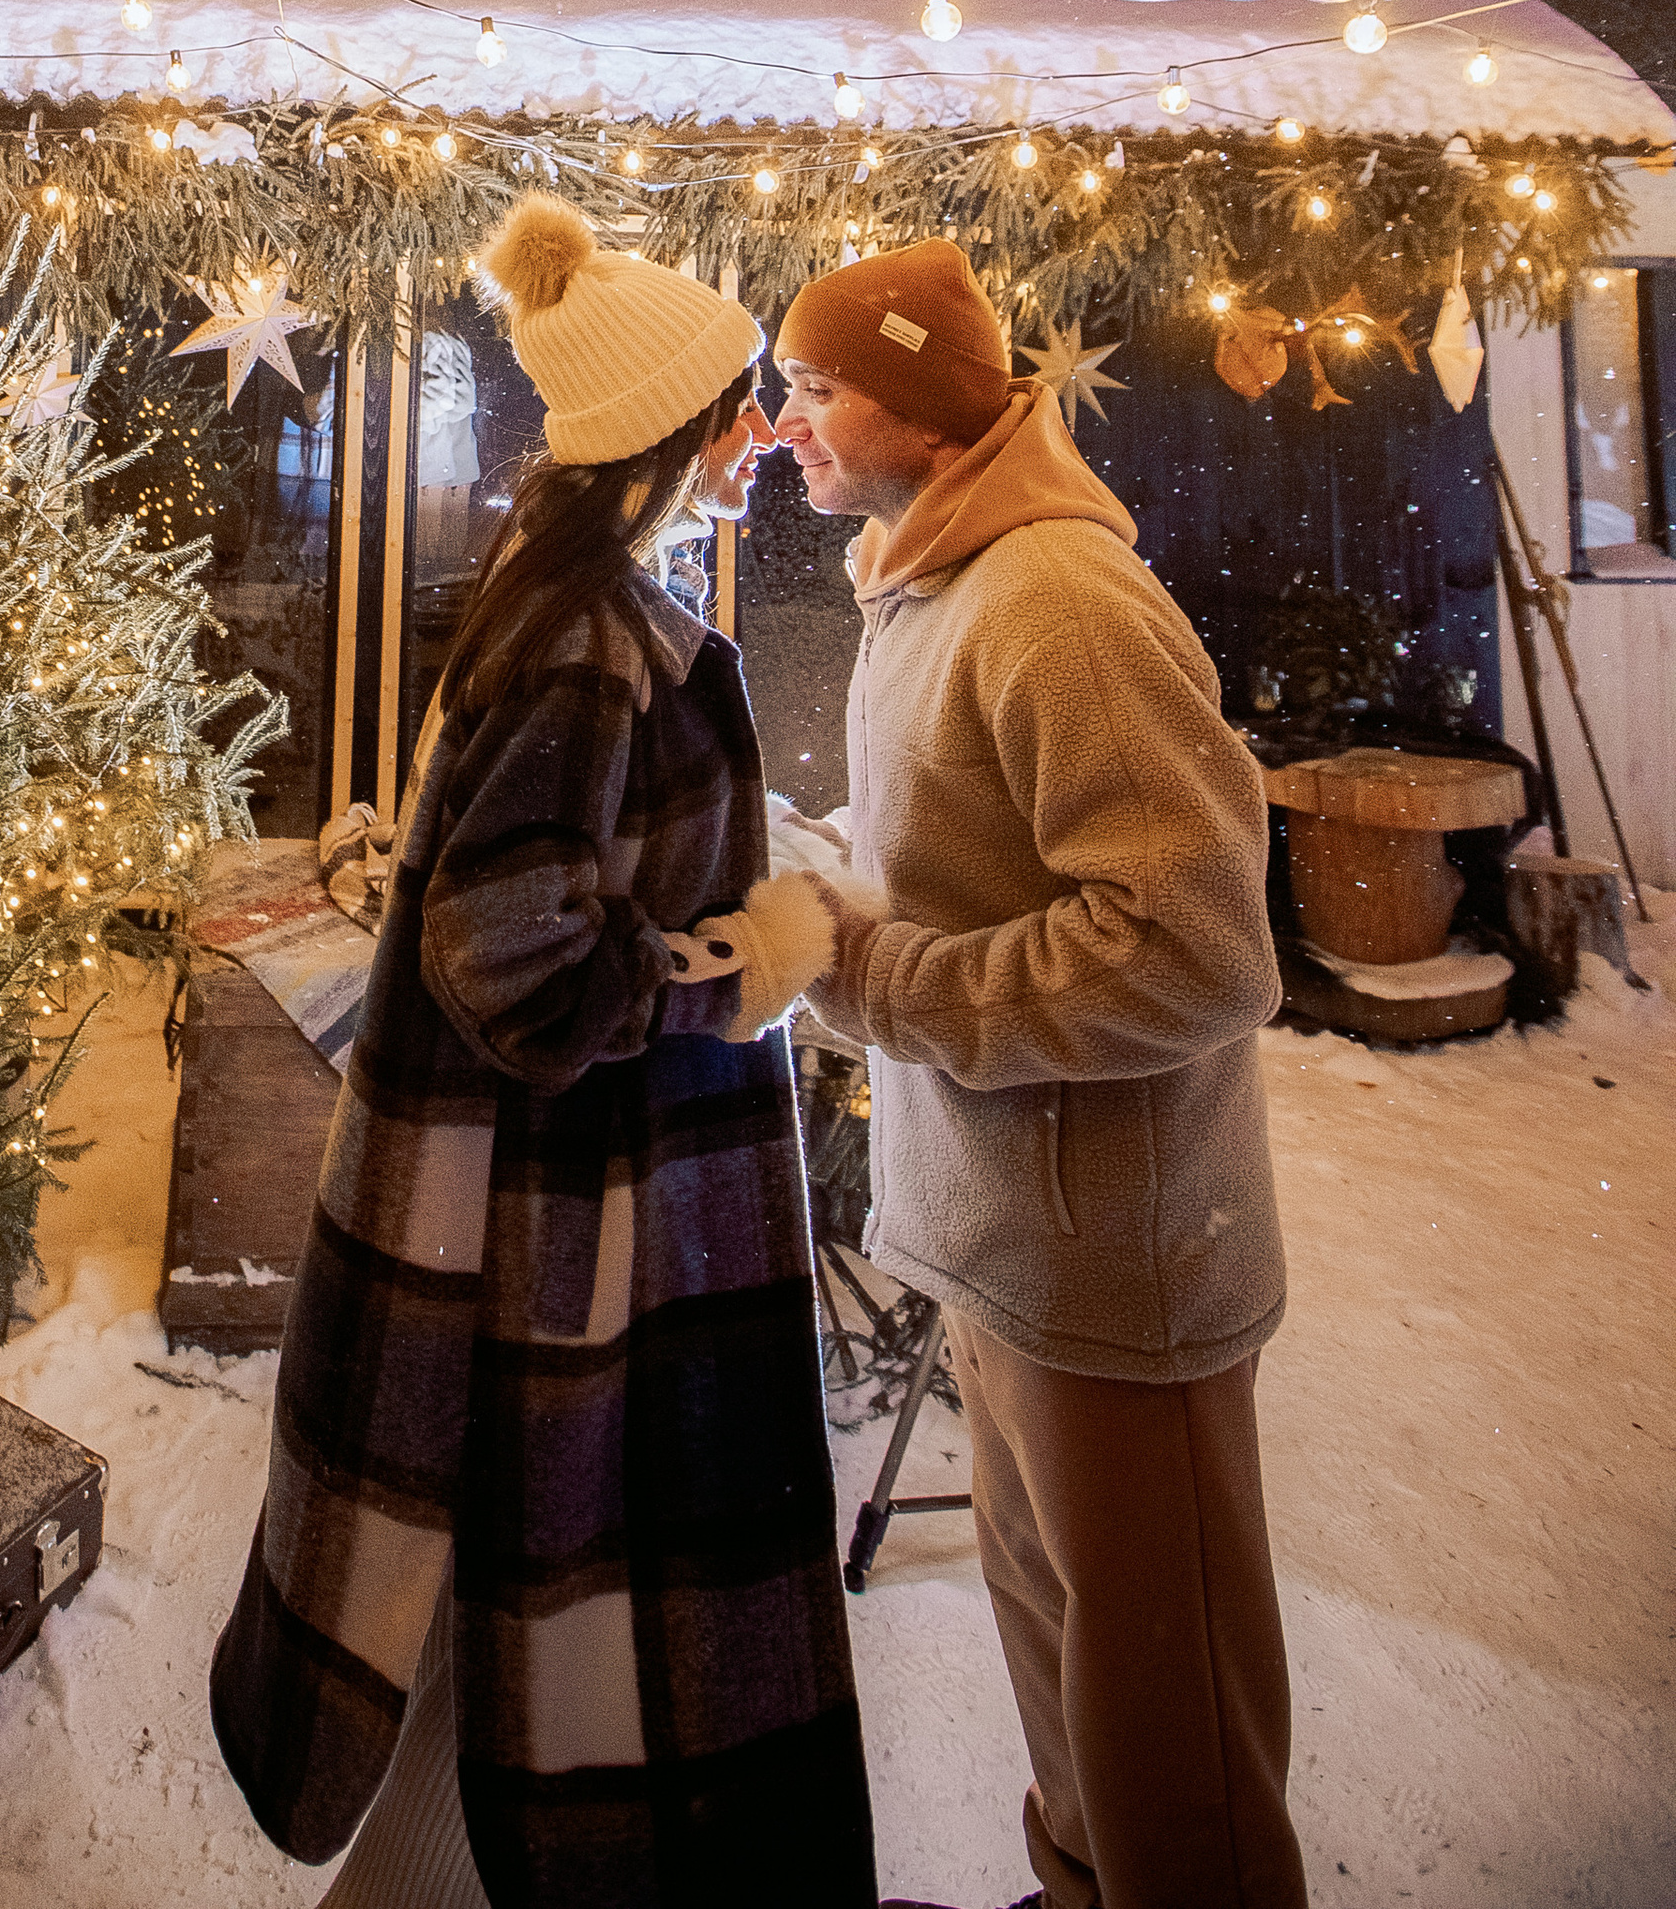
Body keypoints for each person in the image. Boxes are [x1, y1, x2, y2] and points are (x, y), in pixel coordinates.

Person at [210, 193, 878, 1908]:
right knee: (555, 1646)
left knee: (520, 1645)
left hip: (570, 1221)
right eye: (732, 404)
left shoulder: (574, 599)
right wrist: (745, 966)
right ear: (659, 435)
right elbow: (518, 966)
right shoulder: (590, 642)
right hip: (577, 1235)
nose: (755, 436)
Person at [763, 237, 1305, 1909]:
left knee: (1175, 1744)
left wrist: (877, 978)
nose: (788, 424)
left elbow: (1195, 945)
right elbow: (952, 854)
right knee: (1073, 1674)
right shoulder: (931, 582)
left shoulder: (1057, 602)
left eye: (821, 388)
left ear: (921, 407)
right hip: (1004, 1247)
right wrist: (789, 877)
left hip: (1120, 1272)